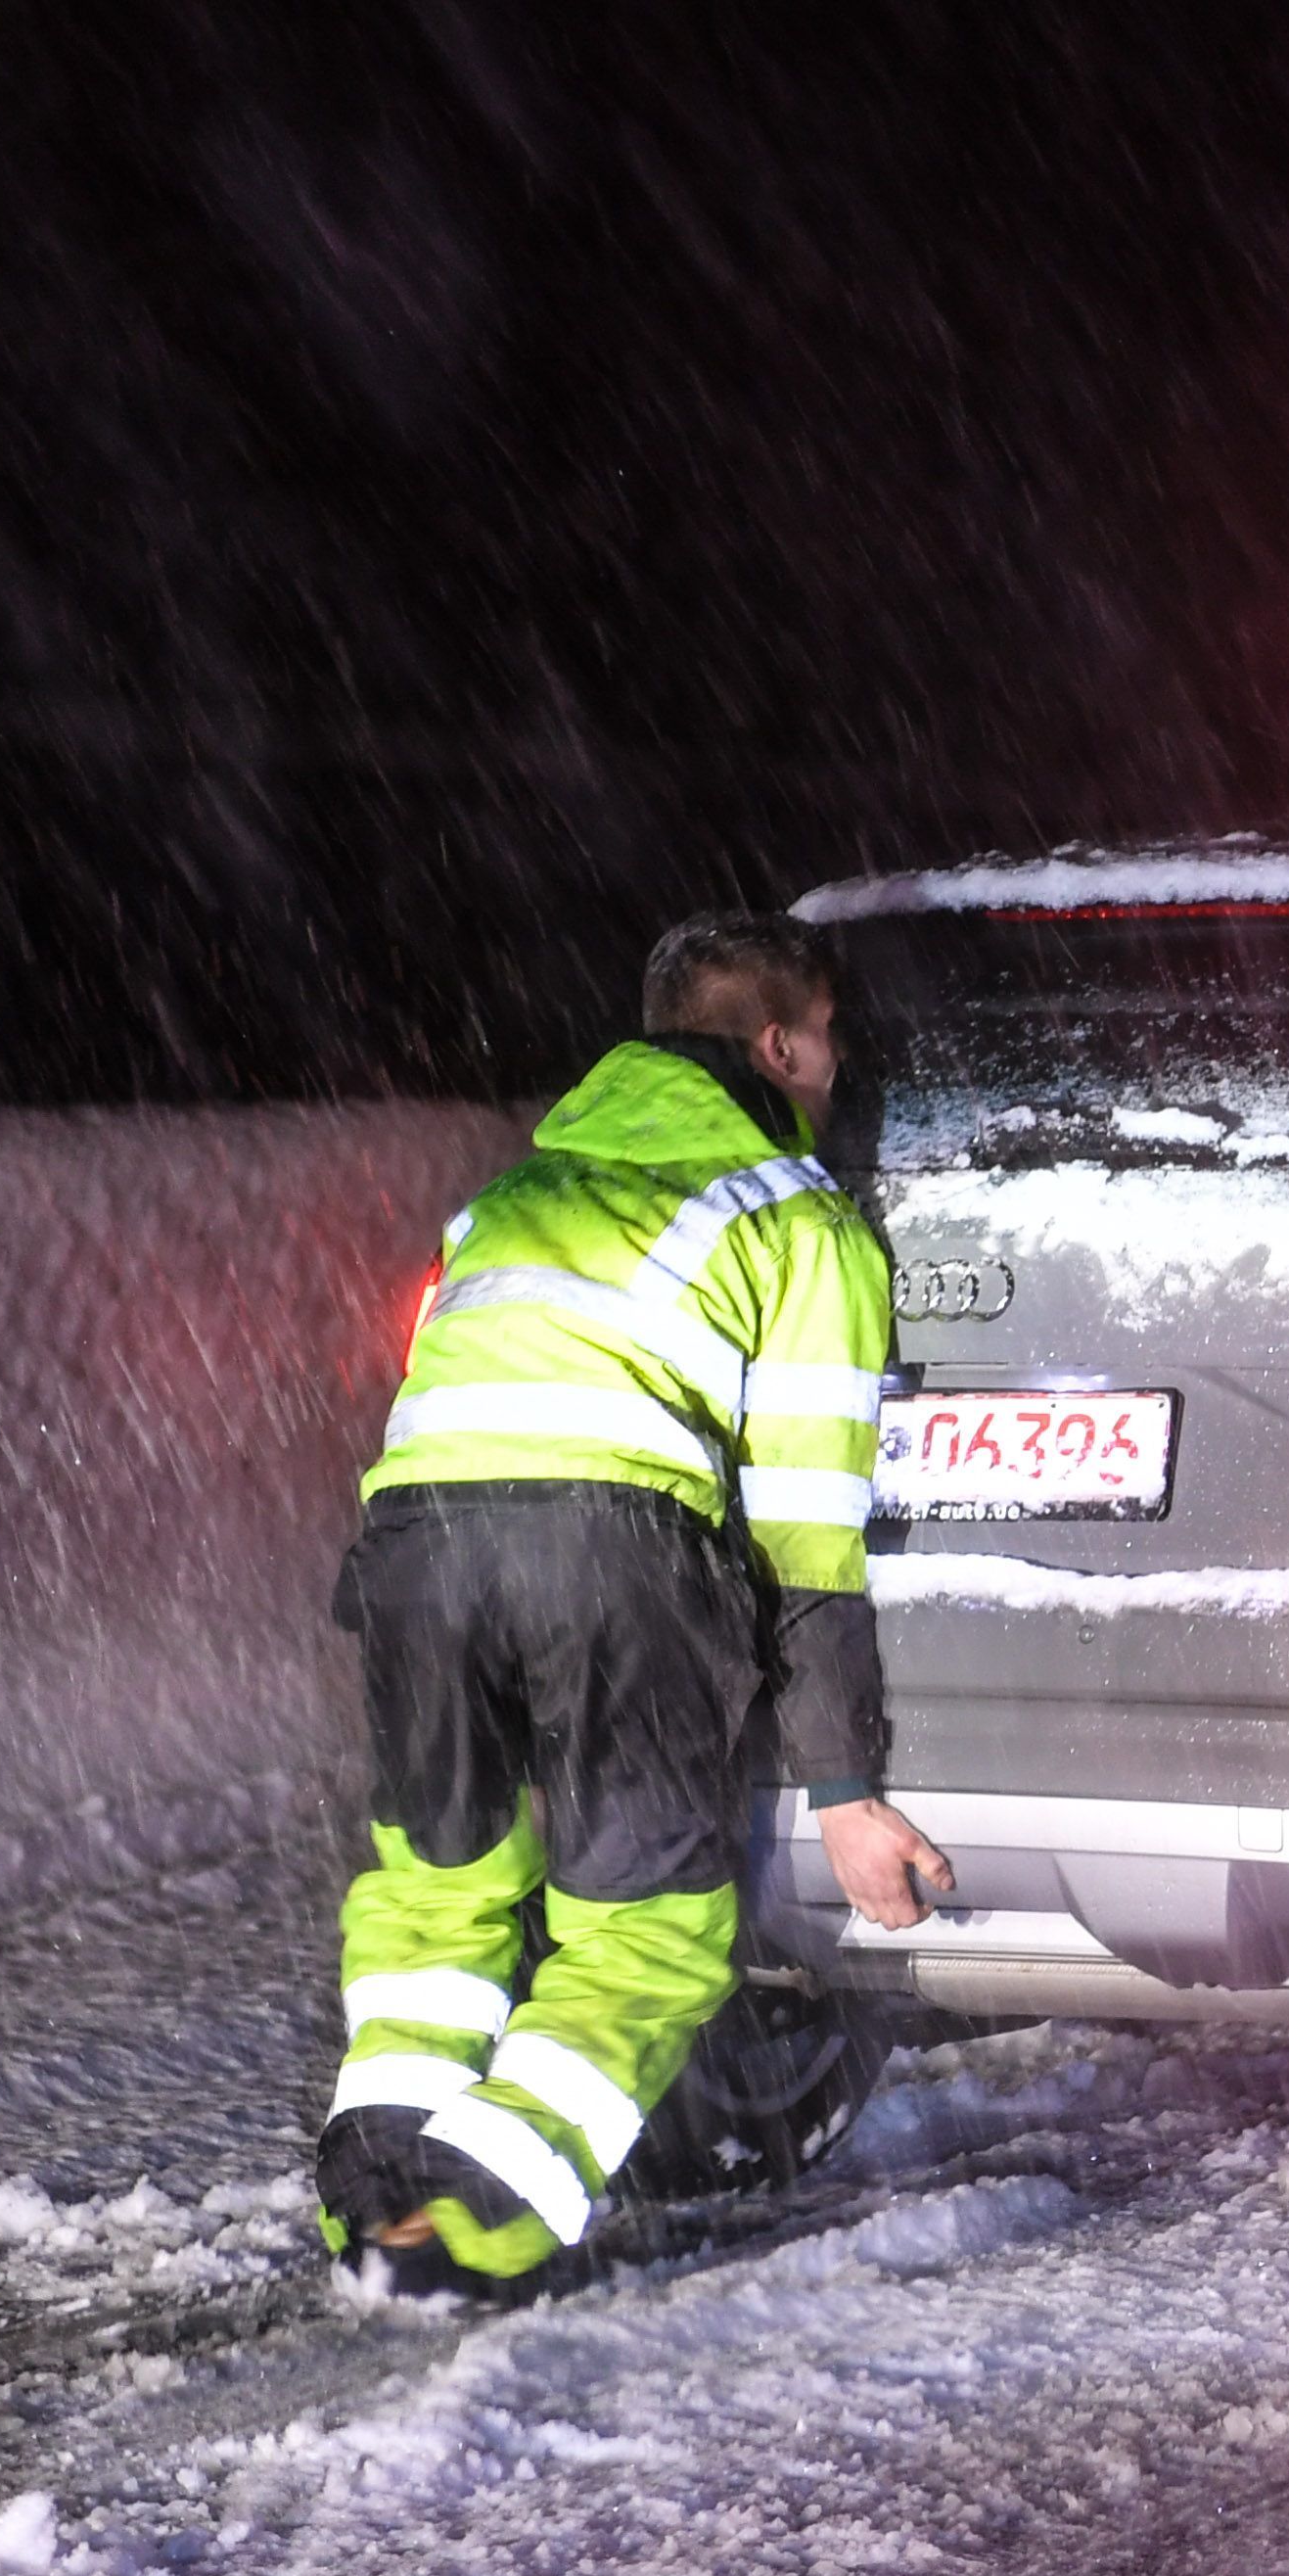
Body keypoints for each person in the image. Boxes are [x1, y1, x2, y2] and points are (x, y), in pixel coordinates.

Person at [318, 912, 951, 2299]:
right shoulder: (793, 1219)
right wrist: (843, 1786)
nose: (840, 1068)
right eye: (833, 1040)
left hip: (414, 1545)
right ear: (780, 1043)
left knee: (436, 1898)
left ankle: (375, 2200)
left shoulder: (513, 1192)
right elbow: (802, 1533)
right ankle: (477, 2224)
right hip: (608, 1549)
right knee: (647, 1928)